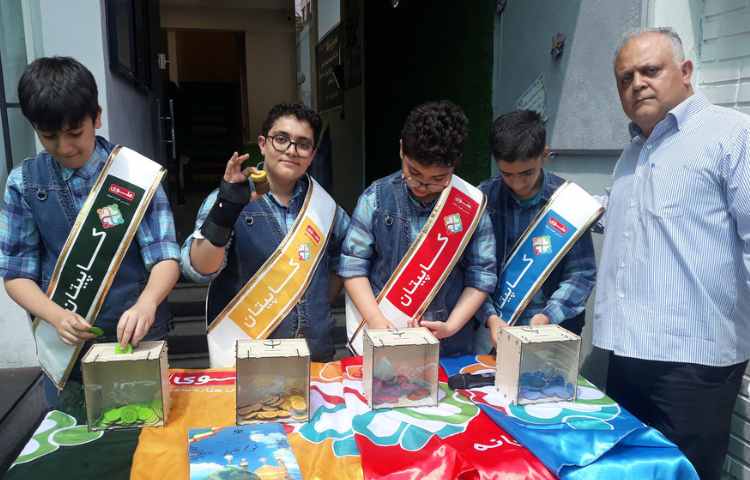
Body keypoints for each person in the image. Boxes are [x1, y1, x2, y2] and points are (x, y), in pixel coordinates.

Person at [594, 27, 750, 480]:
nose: (637, 84)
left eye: (650, 70)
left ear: (685, 71)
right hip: (625, 352)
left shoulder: (732, 135)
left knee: (687, 473)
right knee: (629, 473)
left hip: (694, 363)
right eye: (625, 78)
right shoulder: (633, 152)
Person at [0, 57, 180, 354]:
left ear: (96, 117)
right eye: (49, 137)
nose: (64, 148)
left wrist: (147, 303)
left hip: (137, 339)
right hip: (65, 347)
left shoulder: (136, 175)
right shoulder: (24, 183)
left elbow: (165, 257)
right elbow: (17, 273)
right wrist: (56, 316)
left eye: (74, 133)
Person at [181, 103, 350, 363]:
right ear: (262, 144)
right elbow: (199, 269)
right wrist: (226, 211)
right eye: (281, 139)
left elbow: (348, 260)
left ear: (312, 154)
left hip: (314, 355)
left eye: (303, 144)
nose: (291, 150)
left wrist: (313, 303)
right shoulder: (227, 198)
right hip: (249, 357)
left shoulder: (326, 207)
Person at [338, 100, 497, 356]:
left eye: (437, 179)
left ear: (455, 164)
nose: (422, 185)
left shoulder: (469, 204)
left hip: (448, 344)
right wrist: (376, 321)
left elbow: (482, 275)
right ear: (402, 149)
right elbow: (353, 265)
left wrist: (451, 325)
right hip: (383, 334)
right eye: (414, 172)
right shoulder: (376, 198)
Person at [477, 110, 596, 351]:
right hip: (493, 331)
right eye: (507, 174)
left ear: (545, 154)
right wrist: (490, 316)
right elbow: (473, 270)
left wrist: (548, 316)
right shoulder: (484, 198)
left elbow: (581, 273)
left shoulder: (569, 203)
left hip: (552, 331)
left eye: (526, 173)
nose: (517, 183)